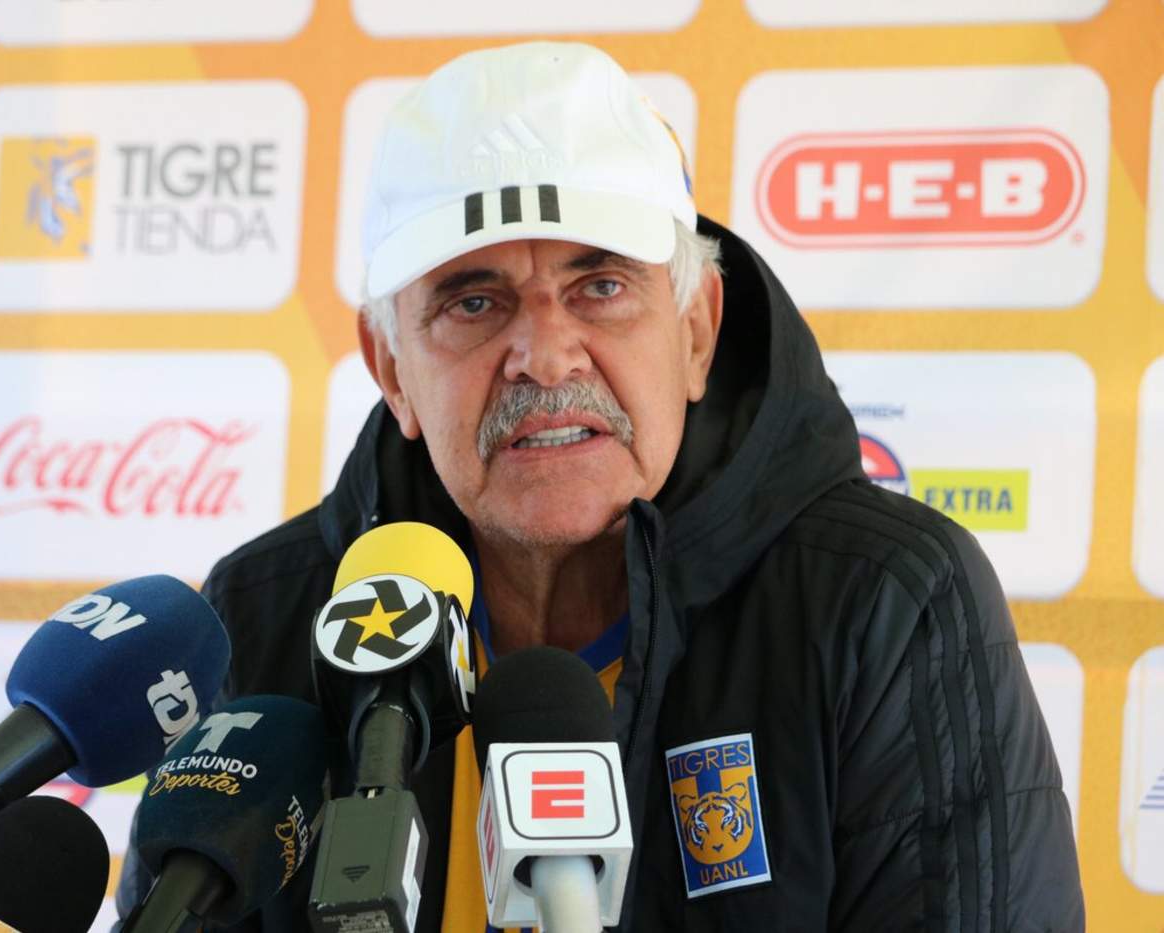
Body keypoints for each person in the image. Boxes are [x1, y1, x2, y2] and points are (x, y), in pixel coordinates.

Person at [116, 41, 1085, 931]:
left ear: (696, 332)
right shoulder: (268, 615)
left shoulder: (884, 601)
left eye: (601, 287)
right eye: (474, 301)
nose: (543, 356)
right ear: (390, 369)